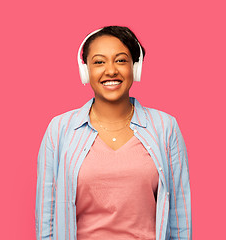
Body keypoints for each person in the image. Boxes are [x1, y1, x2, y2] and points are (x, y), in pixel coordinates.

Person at [35, 26, 192, 240]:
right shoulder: (59, 129)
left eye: (120, 60)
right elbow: (47, 217)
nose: (111, 70)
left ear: (135, 69)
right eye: (99, 62)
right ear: (85, 70)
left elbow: (179, 215)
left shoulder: (166, 127)